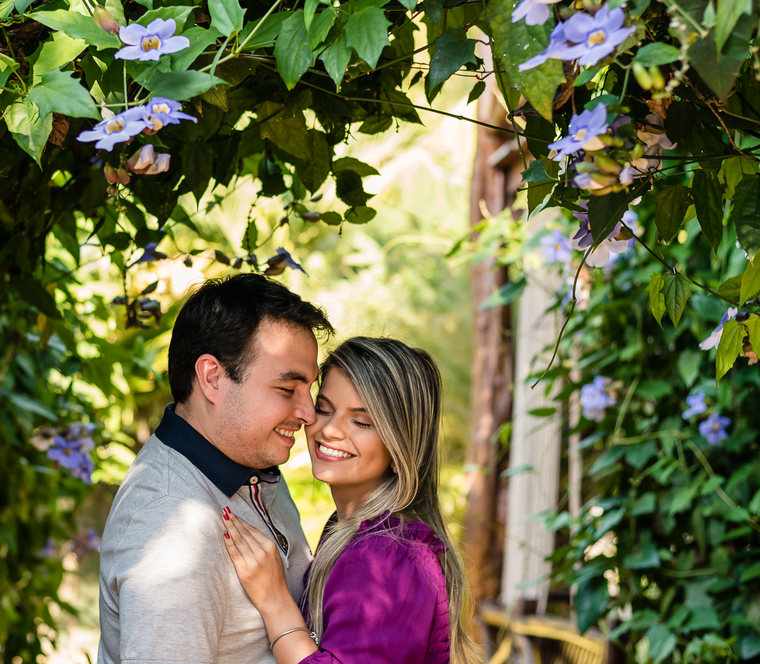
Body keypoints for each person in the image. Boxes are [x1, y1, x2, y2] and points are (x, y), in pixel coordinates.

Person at [97, 273, 333, 664]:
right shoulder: (170, 528)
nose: (309, 413)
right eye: (287, 389)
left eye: (309, 389)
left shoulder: (248, 462)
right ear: (212, 378)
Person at [220, 337, 479, 664]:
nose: (330, 431)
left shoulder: (386, 556)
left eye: (361, 422)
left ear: (401, 445)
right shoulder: (353, 531)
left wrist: (274, 601)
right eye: (324, 409)